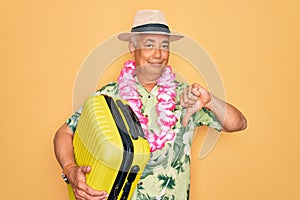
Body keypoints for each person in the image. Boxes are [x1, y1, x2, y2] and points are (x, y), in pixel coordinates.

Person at [53, 10, 247, 200]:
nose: (158, 54)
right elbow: (64, 132)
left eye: (164, 45)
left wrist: (210, 100)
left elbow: (238, 123)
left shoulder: (187, 96)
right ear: (132, 48)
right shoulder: (109, 95)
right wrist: (70, 170)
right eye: (149, 45)